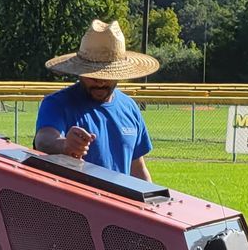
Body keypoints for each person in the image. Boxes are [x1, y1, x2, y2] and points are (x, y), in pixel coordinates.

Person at [32, 19, 161, 182]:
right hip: (77, 206)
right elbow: (44, 140)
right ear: (80, 71)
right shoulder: (57, 104)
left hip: (118, 207)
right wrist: (64, 145)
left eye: (106, 76)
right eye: (93, 75)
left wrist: (152, 203)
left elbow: (137, 168)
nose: (100, 82)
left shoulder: (129, 107)